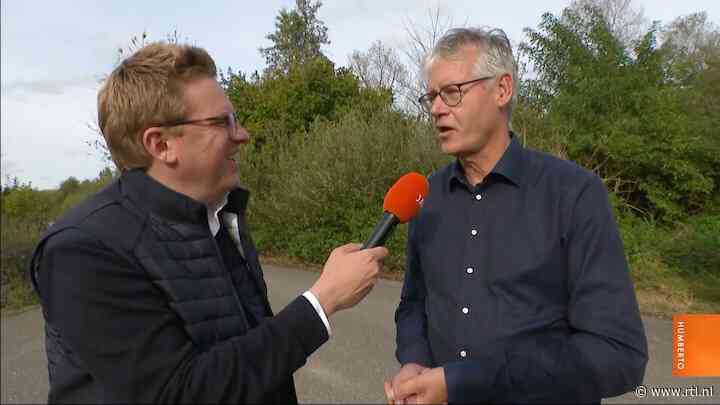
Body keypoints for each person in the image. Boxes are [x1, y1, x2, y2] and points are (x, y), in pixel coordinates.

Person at [30, 42, 388, 404]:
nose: (243, 134)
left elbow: (254, 360)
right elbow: (178, 392)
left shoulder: (219, 214)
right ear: (161, 144)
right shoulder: (83, 250)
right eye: (222, 122)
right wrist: (322, 301)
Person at [384, 27, 648, 404]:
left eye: (451, 93)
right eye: (430, 97)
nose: (436, 108)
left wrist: (468, 381)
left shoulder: (573, 194)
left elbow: (617, 354)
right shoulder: (429, 199)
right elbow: (413, 303)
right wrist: (413, 360)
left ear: (502, 90)